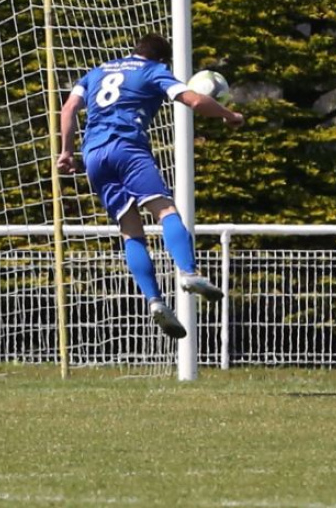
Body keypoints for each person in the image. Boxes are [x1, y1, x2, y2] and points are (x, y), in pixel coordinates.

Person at [56, 34, 244, 339]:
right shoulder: (153, 71)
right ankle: (189, 272)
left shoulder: (97, 72)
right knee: (165, 210)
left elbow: (68, 109)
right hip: (127, 147)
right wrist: (229, 115)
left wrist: (66, 152)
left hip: (93, 156)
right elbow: (196, 101)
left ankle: (155, 301)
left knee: (130, 230)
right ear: (162, 60)